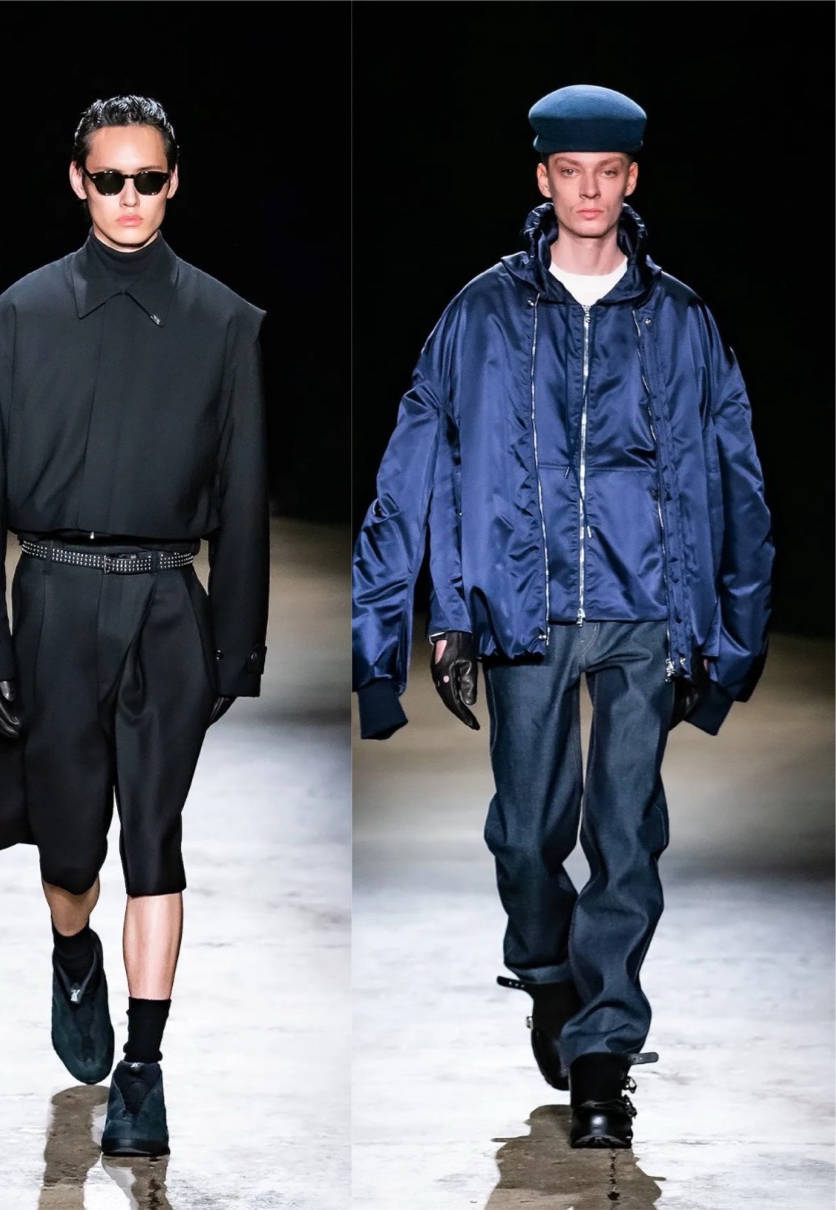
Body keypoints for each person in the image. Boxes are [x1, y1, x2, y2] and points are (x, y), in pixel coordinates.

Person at [351, 83, 773, 1148]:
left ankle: (601, 1054)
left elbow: (736, 474)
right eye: (570, 172)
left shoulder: (681, 319)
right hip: (520, 600)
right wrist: (415, 627)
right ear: (542, 179)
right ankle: (547, 970)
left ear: (631, 179)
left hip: (647, 606)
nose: (589, 191)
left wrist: (731, 636)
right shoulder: (480, 314)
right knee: (525, 832)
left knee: (626, 834)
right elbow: (414, 469)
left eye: (607, 172)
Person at [0, 94, 269, 1158]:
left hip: (170, 603)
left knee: (155, 840)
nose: (130, 197)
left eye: (149, 178)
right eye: (110, 178)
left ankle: (144, 1069)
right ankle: (73, 950)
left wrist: (237, 645)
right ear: (78, 181)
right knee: (72, 849)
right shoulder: (20, 315)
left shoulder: (225, 322)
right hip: (52, 597)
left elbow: (243, 494)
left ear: (174, 184)